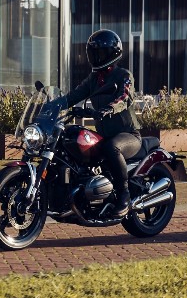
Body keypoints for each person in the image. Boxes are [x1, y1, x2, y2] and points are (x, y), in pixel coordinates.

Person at [53, 28, 141, 217]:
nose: (96, 57)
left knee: (112, 147)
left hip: (128, 136)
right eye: (93, 53)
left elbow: (125, 97)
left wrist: (109, 108)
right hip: (104, 135)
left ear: (112, 53)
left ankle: (124, 195)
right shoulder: (94, 79)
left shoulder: (123, 75)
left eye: (100, 53)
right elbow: (74, 95)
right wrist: (52, 105)